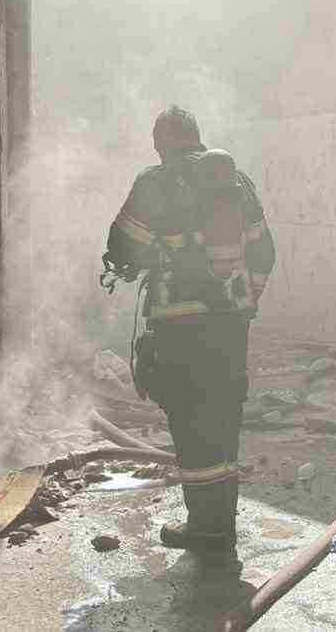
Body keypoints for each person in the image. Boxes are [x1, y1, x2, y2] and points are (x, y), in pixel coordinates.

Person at [101, 105, 276, 559]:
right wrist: (243, 307)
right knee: (223, 424)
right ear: (197, 137)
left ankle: (205, 532)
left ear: (161, 142)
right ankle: (221, 528)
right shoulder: (238, 184)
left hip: (181, 334)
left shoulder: (156, 182)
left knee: (192, 429)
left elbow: (121, 245)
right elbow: (265, 253)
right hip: (229, 333)